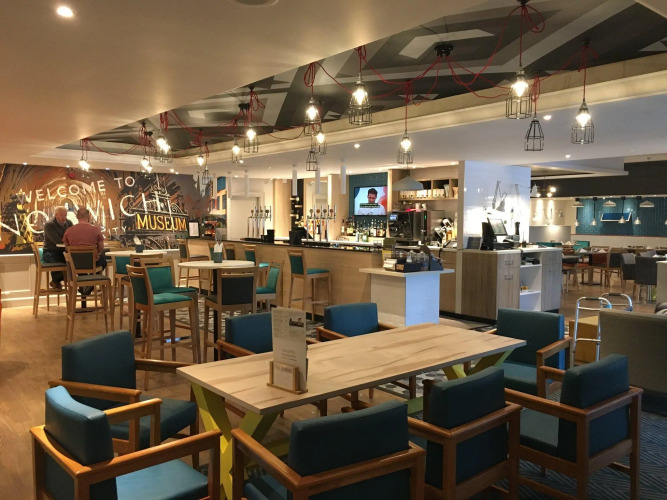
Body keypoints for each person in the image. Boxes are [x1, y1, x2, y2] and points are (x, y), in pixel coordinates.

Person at [63, 207, 106, 271]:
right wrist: (97, 254)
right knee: (103, 261)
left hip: (75, 263)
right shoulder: (96, 230)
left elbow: (66, 247)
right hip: (92, 261)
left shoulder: (68, 231)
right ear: (89, 216)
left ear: (77, 217)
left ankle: (82, 276)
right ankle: (93, 275)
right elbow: (101, 247)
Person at [42, 206, 73, 289]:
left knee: (74, 263)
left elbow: (73, 236)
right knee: (62, 263)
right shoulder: (49, 225)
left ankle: (56, 282)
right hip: (51, 252)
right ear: (56, 215)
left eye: (65, 215)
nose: (64, 217)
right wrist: (67, 241)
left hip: (64, 252)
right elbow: (57, 241)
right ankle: (59, 281)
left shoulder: (69, 223)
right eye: (61, 215)